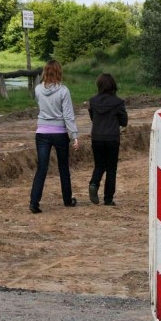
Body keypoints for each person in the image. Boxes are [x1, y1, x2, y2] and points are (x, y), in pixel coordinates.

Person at [29, 59, 79, 214]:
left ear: (45, 71)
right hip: (59, 132)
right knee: (63, 167)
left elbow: (41, 105)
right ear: (59, 72)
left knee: (42, 168)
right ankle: (67, 200)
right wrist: (74, 136)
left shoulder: (37, 89)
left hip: (42, 132)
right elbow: (68, 116)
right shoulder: (64, 91)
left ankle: (34, 202)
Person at [87, 73, 128, 206]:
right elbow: (124, 121)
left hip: (97, 137)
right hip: (112, 138)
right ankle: (108, 199)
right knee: (111, 168)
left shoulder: (93, 101)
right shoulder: (118, 103)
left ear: (99, 85)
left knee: (99, 165)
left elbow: (93, 117)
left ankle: (94, 183)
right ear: (113, 86)